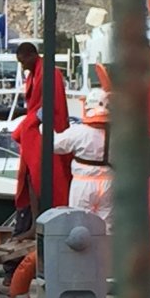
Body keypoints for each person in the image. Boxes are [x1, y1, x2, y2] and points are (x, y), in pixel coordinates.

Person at [10, 42, 71, 220]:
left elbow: (52, 104)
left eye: (23, 62)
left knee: (48, 176)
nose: (22, 66)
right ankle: (35, 221)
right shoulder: (36, 74)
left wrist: (32, 122)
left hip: (48, 132)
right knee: (29, 176)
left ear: (31, 56)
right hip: (37, 130)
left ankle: (50, 217)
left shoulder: (50, 73)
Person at [52, 89, 114, 230]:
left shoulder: (79, 131)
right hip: (109, 183)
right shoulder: (117, 132)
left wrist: (44, 126)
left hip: (82, 183)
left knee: (79, 225)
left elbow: (55, 145)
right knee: (107, 227)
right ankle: (105, 251)